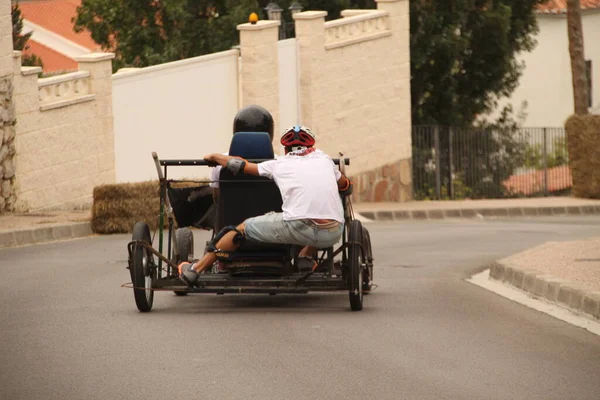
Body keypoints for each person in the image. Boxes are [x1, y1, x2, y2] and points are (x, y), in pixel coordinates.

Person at [178, 125, 353, 286]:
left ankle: (194, 270)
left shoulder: (278, 164)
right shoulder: (325, 160)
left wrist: (215, 156)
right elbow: (345, 185)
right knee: (315, 211)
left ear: (285, 148)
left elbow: (240, 165)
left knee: (240, 230)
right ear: (311, 145)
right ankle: (305, 257)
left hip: (299, 227)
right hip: (333, 232)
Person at [210, 104, 275, 200]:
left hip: (230, 214)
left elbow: (217, 198)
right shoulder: (278, 163)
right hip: (271, 214)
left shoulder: (219, 163)